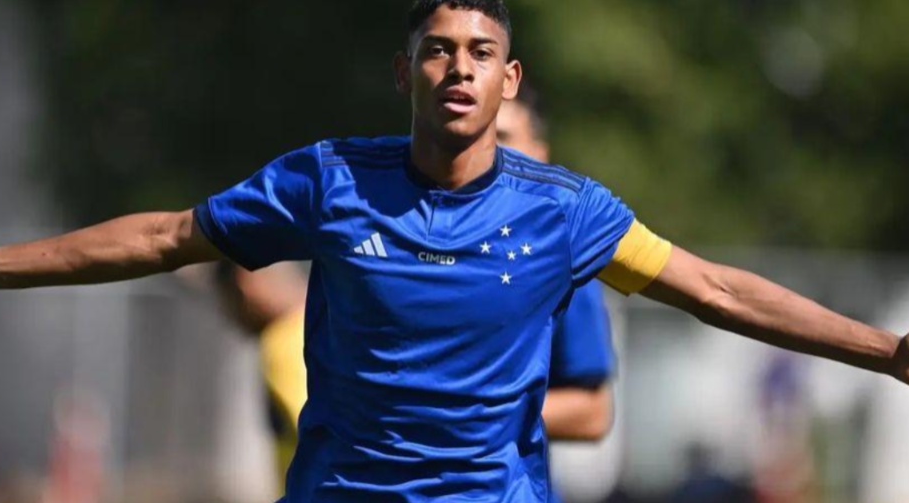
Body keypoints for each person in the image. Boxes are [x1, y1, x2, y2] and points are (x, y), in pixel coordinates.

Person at [0, 0, 909, 503]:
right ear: (406, 70)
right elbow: (166, 238)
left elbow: (715, 288)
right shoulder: (328, 181)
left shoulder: (566, 212)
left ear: (509, 80)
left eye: (481, 53)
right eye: (438, 50)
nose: (458, 68)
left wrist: (887, 352)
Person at [217, 85, 617, 497]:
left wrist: (461, 410)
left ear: (541, 154)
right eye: (476, 137)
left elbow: (594, 413)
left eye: (504, 138)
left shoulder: (556, 258)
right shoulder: (400, 232)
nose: (490, 154)